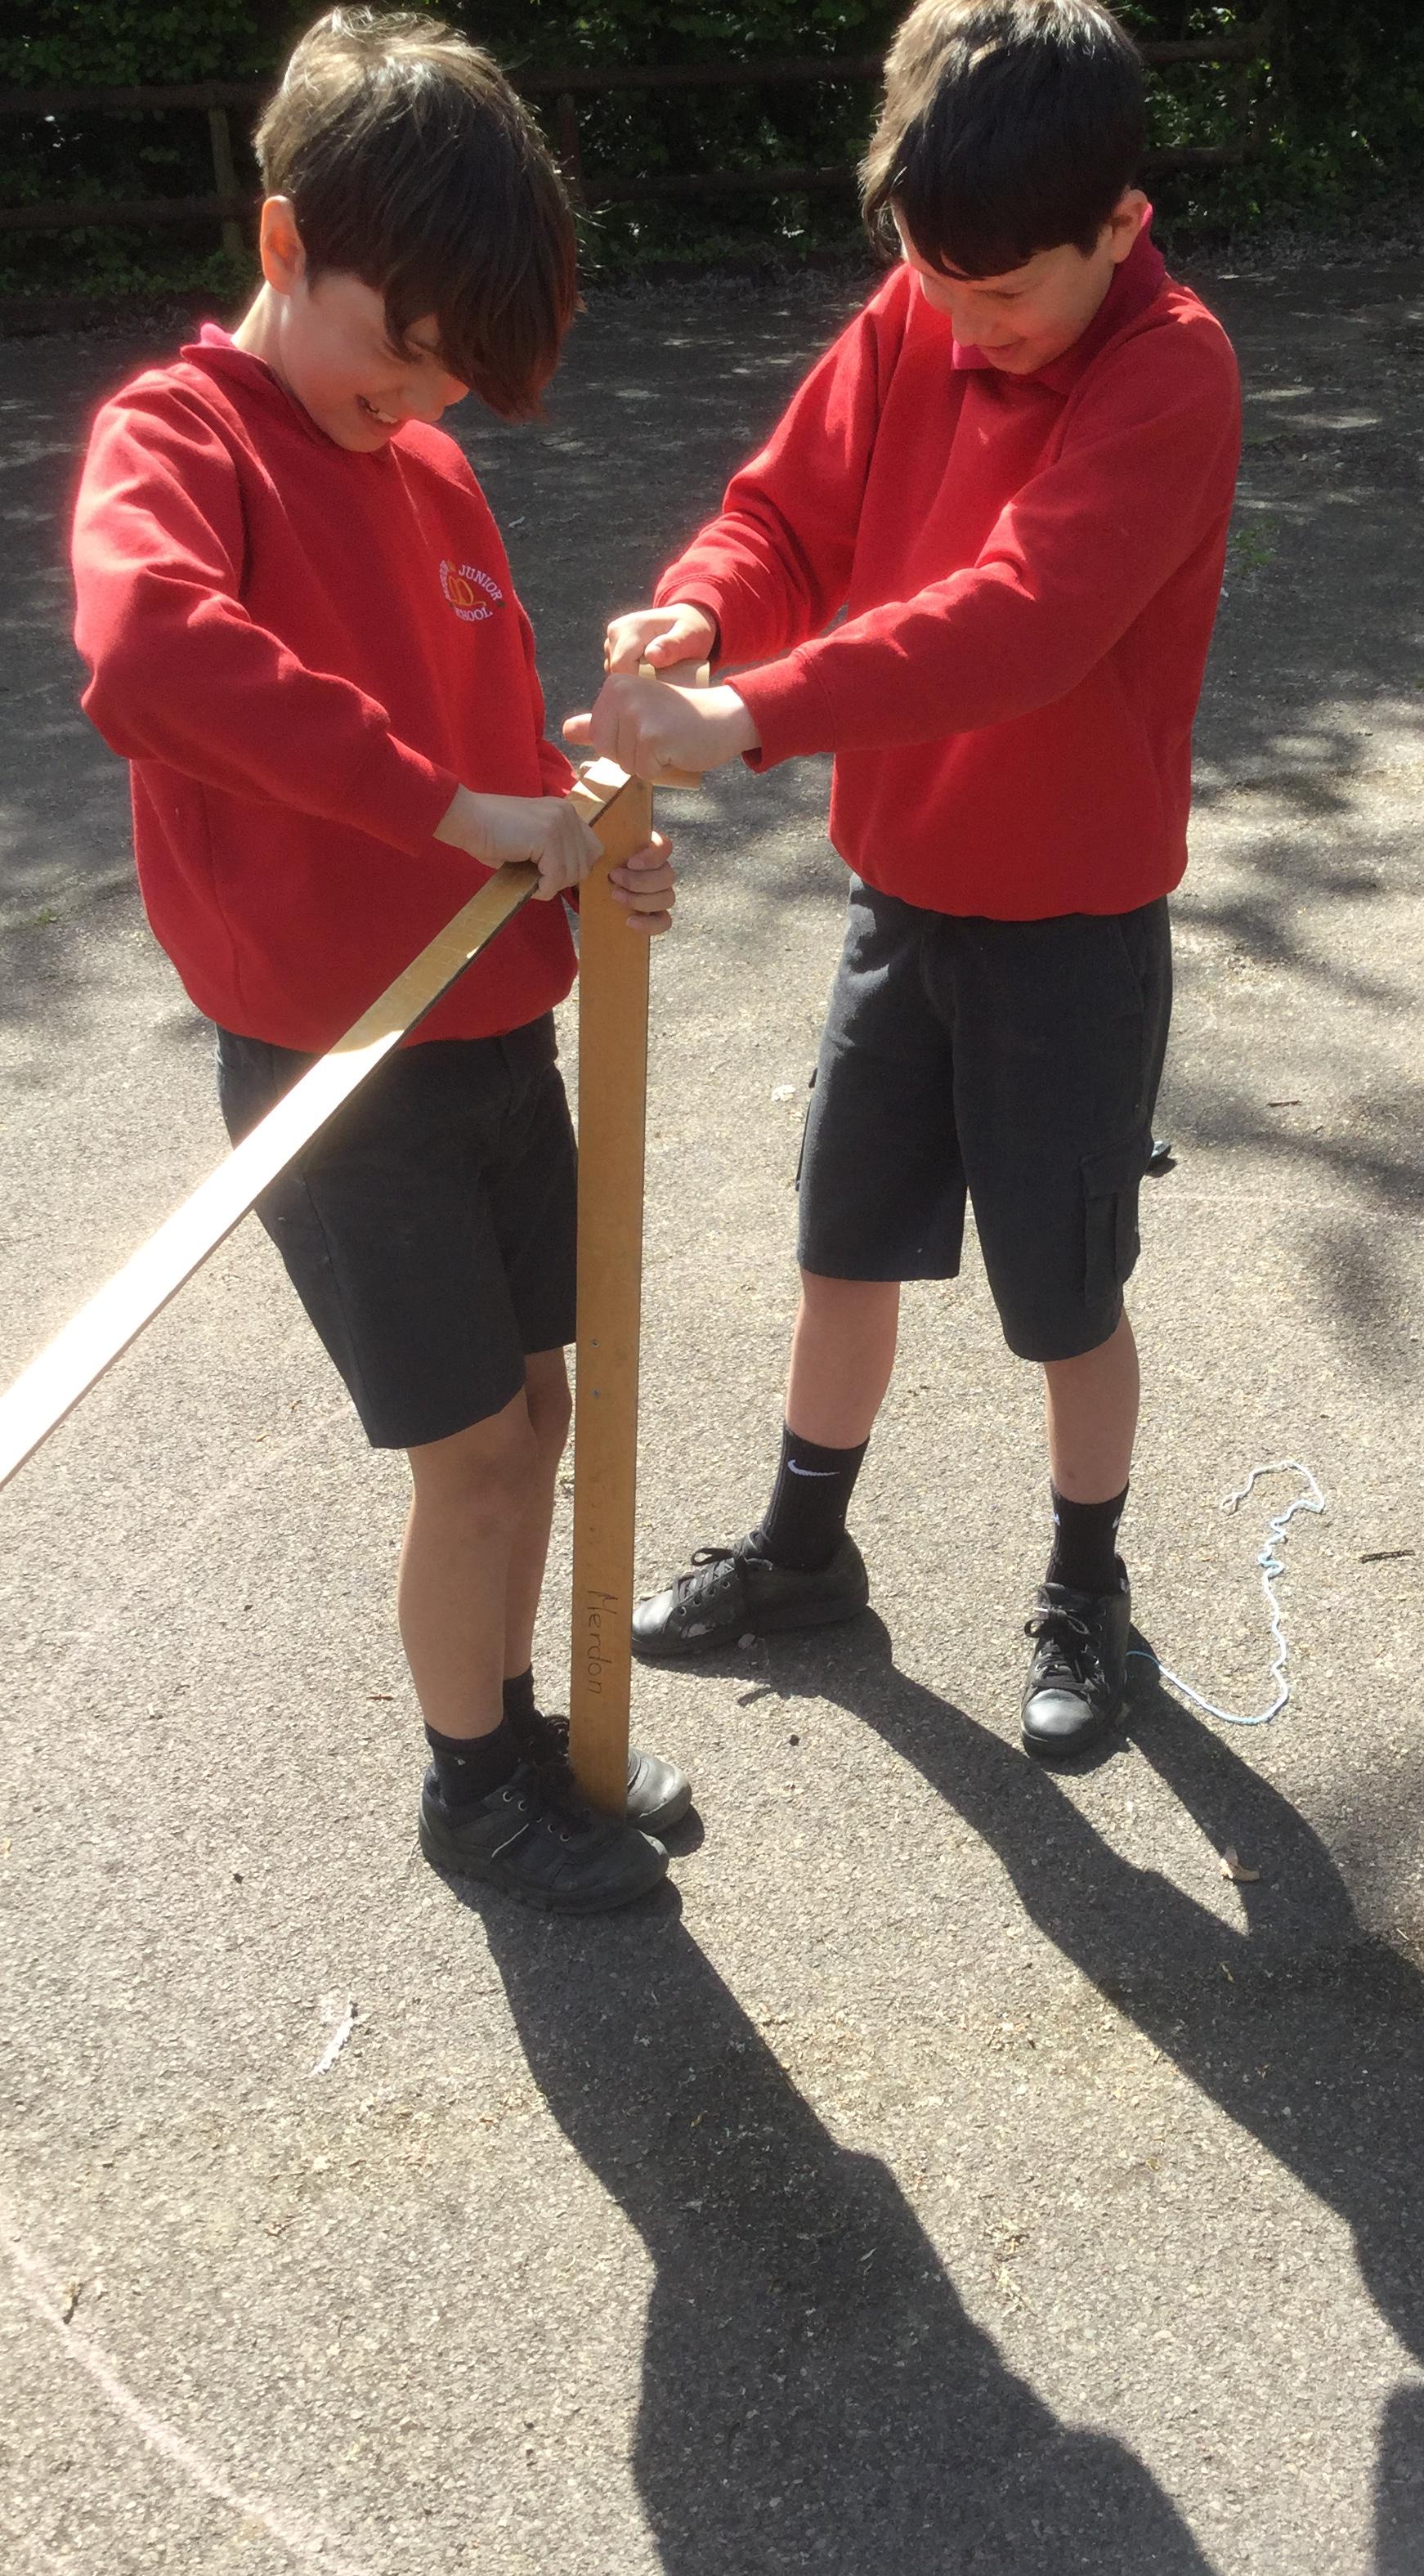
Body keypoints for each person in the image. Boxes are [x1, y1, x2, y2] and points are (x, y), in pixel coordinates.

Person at [569, 0, 1241, 1756]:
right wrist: (705, 608)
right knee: (843, 1245)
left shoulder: (1172, 371)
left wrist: (750, 712)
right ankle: (805, 1555)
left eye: (1004, 297)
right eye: (940, 288)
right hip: (903, 895)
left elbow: (1020, 620)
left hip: (1073, 927)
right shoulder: (923, 305)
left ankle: (1088, 1587)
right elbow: (787, 515)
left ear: (1121, 223)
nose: (968, 326)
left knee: (1065, 1299)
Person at [70, 9, 687, 1911]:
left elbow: (496, 752)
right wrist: (451, 810)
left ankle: (523, 1735)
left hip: (493, 1038)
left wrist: (582, 840)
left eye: (451, 375)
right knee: (477, 1450)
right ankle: (470, 1784)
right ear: (283, 243)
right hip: (337, 1071)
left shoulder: (424, 471)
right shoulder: (182, 440)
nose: (417, 395)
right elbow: (148, 658)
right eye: (397, 345)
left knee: (542, 1414)